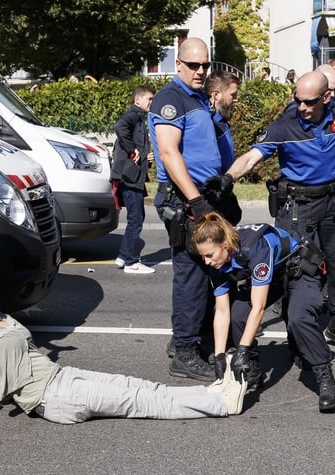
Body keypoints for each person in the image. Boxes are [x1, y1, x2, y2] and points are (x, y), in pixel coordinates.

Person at [0, 197, 248, 423]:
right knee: (140, 401)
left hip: (64, 376)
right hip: (53, 399)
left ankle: (214, 391)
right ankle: (220, 404)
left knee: (138, 386)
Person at [225, 71, 335, 356]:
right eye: (298, 100)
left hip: (334, 202)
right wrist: (227, 178)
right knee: (297, 270)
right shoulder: (285, 124)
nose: (301, 107)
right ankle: (298, 336)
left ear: (327, 97)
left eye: (309, 102)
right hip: (298, 208)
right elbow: (253, 157)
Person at [148, 38, 239, 381]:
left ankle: (188, 341)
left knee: (206, 273)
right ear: (179, 64)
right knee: (191, 275)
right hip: (184, 200)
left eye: (205, 65)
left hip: (202, 196)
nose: (201, 71)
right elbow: (169, 153)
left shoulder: (198, 99)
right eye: (194, 65)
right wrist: (196, 201)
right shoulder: (170, 99)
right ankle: (184, 351)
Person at [192, 213, 335, 412]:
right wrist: (219, 355)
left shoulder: (255, 247)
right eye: (203, 256)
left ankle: (325, 377)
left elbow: (259, 307)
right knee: (238, 316)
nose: (206, 261)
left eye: (209, 255)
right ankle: (253, 369)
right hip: (274, 278)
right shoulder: (215, 261)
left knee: (299, 318)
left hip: (299, 271)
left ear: (225, 246)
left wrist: (241, 350)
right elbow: (221, 310)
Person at [111, 85, 156, 274]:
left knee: (135, 217)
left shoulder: (139, 118)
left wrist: (146, 157)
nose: (151, 103)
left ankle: (123, 256)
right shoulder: (133, 115)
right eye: (149, 99)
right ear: (138, 100)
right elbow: (119, 127)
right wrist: (132, 150)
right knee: (136, 218)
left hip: (131, 175)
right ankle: (131, 262)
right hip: (128, 176)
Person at [205, 71, 242, 173]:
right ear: (216, 95)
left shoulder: (222, 121)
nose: (236, 99)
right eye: (233, 95)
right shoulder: (207, 124)